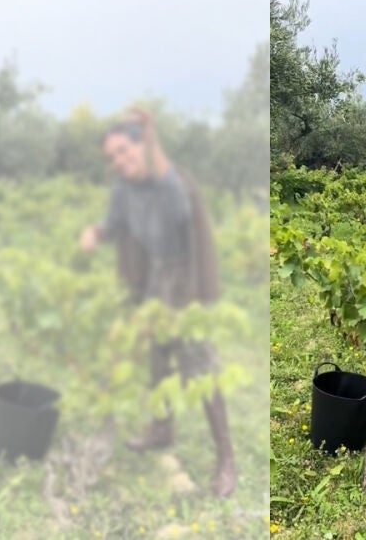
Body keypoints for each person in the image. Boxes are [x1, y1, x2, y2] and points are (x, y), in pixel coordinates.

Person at [79, 110, 236, 497]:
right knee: (157, 359)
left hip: (185, 280)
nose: (119, 160)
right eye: (112, 156)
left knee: (200, 368)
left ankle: (226, 460)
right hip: (154, 280)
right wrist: (95, 233)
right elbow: (114, 225)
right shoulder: (123, 189)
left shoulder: (171, 183)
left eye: (124, 150)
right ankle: (162, 430)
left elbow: (174, 196)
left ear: (143, 146)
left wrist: (152, 136)